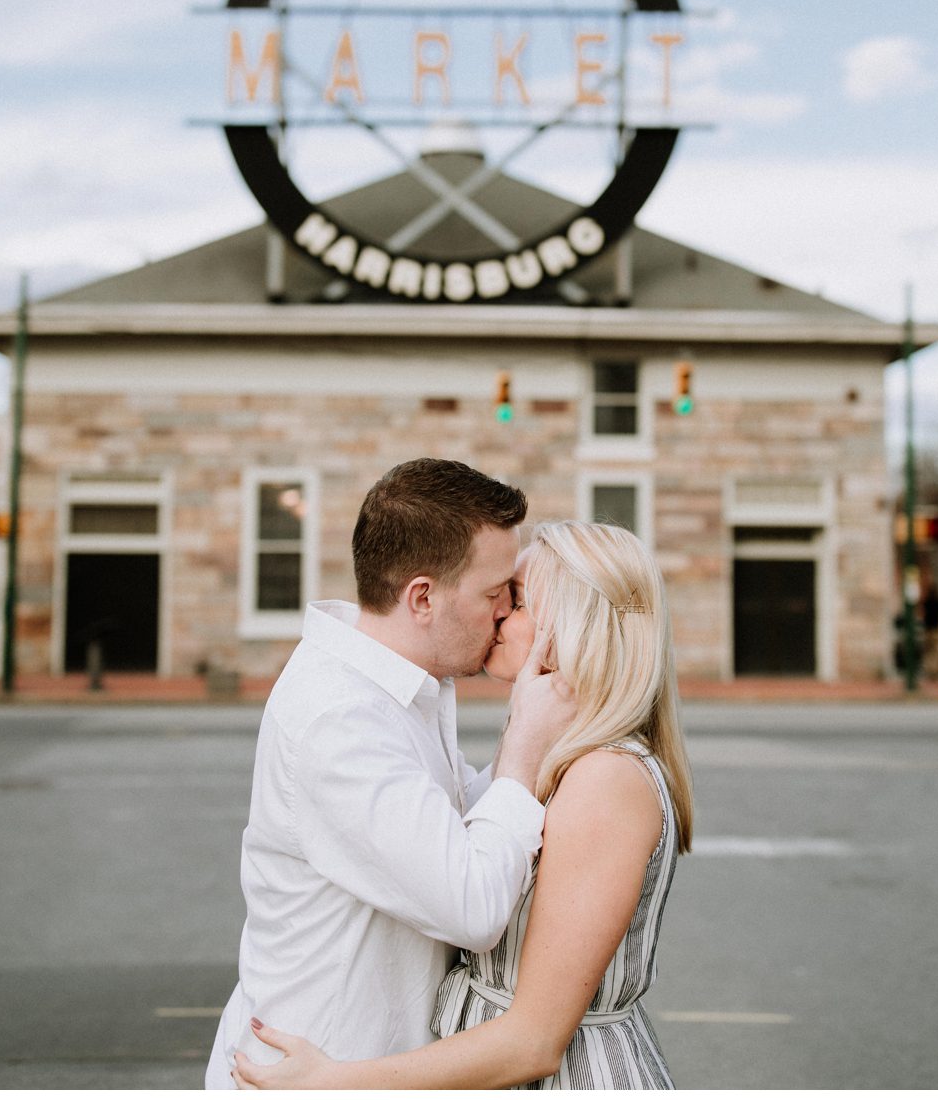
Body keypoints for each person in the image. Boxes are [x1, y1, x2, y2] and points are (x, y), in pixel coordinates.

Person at [233, 520, 695, 1090]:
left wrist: (337, 1082)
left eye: (516, 600)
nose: (498, 613)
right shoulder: (558, 755)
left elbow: (533, 1042)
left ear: (575, 628)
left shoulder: (605, 778)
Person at [204, 459, 579, 1090]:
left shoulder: (398, 684)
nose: (506, 612)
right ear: (422, 598)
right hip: (318, 1069)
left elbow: (459, 824)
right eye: (495, 593)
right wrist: (522, 746)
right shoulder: (342, 718)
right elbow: (473, 905)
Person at [920, 583, 938, 683]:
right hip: (937, 629)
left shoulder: (926, 601)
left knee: (929, 651)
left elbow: (922, 614)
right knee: (937, 651)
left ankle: (930, 671)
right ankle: (936, 672)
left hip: (928, 629)